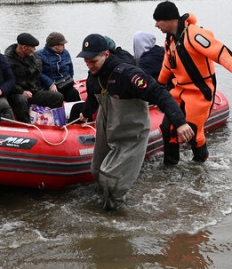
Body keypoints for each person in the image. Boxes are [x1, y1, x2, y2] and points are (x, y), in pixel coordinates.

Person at [76, 33, 193, 211]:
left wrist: (180, 122)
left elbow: (160, 94)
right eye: (86, 61)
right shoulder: (94, 75)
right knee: (97, 169)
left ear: (106, 54)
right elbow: (93, 95)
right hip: (107, 122)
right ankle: (104, 201)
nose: (89, 65)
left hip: (131, 127)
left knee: (112, 175)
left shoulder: (128, 75)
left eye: (93, 61)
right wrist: (85, 113)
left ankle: (115, 211)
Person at [153, 1, 232, 165]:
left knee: (192, 131)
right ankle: (170, 166)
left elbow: (218, 51)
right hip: (179, 90)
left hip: (199, 91)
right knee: (168, 127)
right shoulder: (169, 42)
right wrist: (157, 87)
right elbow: (167, 66)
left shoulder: (194, 35)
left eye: (158, 21)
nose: (156, 25)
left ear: (170, 20)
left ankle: (200, 164)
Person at [4, 33, 64, 123]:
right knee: (21, 100)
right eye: (33, 47)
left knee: (58, 97)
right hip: (16, 93)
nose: (35, 50)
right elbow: (7, 82)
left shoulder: (33, 56)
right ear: (24, 47)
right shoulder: (7, 61)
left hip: (33, 90)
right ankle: (26, 124)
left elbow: (39, 73)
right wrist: (22, 91)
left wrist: (49, 84)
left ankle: (53, 121)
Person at [38, 32, 81, 103]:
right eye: (62, 44)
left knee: (74, 93)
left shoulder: (66, 53)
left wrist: (70, 81)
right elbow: (39, 73)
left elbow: (70, 68)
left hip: (64, 83)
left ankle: (77, 111)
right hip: (49, 87)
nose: (64, 47)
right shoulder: (39, 55)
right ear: (55, 46)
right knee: (57, 97)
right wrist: (50, 84)